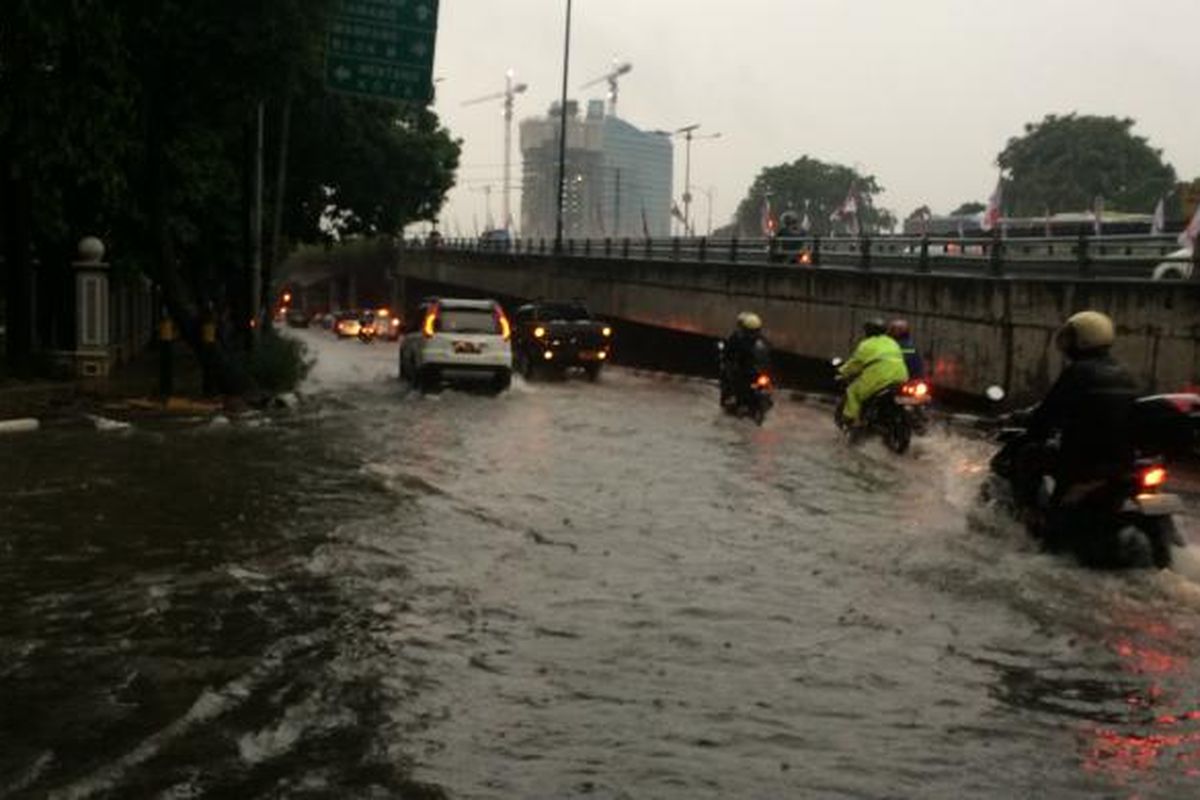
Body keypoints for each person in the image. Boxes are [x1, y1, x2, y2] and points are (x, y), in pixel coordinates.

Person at [1008, 310, 1138, 507]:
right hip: (1121, 460)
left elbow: (1048, 413)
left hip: (1083, 459)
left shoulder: (1078, 372)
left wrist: (1033, 430)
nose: (1065, 343)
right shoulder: (1123, 372)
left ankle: (1029, 513)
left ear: (1083, 340)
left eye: (1070, 337)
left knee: (1028, 454)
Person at [838, 318, 909, 427]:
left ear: (868, 331)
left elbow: (855, 364)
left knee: (853, 391)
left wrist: (842, 372)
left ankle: (850, 420)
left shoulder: (866, 345)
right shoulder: (892, 342)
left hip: (879, 378)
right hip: (901, 376)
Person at [721, 312, 770, 403]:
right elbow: (729, 353)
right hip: (746, 369)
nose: (752, 334)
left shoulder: (756, 340)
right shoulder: (738, 338)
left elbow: (767, 353)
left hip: (752, 370)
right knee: (729, 377)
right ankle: (731, 397)